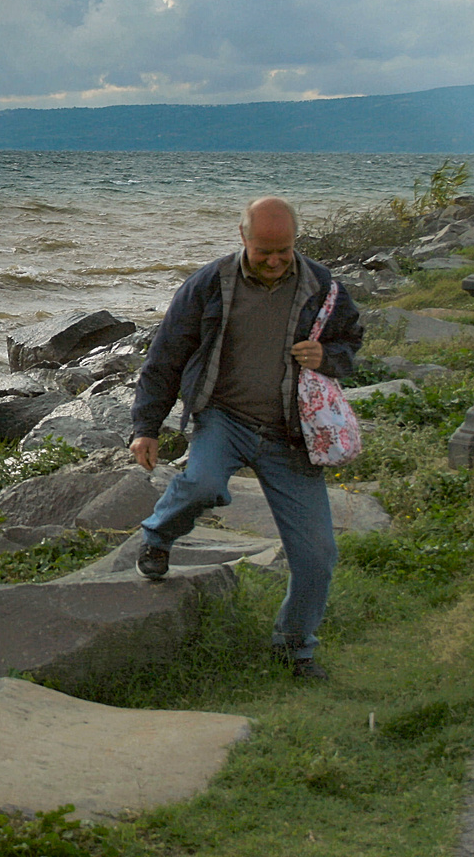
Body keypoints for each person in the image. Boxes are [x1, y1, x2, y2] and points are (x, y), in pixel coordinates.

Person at [129, 195, 362, 679]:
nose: (276, 261)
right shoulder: (209, 285)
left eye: (285, 250)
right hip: (225, 419)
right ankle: (158, 536)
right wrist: (145, 428)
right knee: (204, 484)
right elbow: (166, 357)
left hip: (291, 435)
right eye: (265, 252)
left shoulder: (323, 286)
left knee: (317, 556)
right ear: (243, 238)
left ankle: (295, 647)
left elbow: (351, 340)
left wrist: (328, 357)